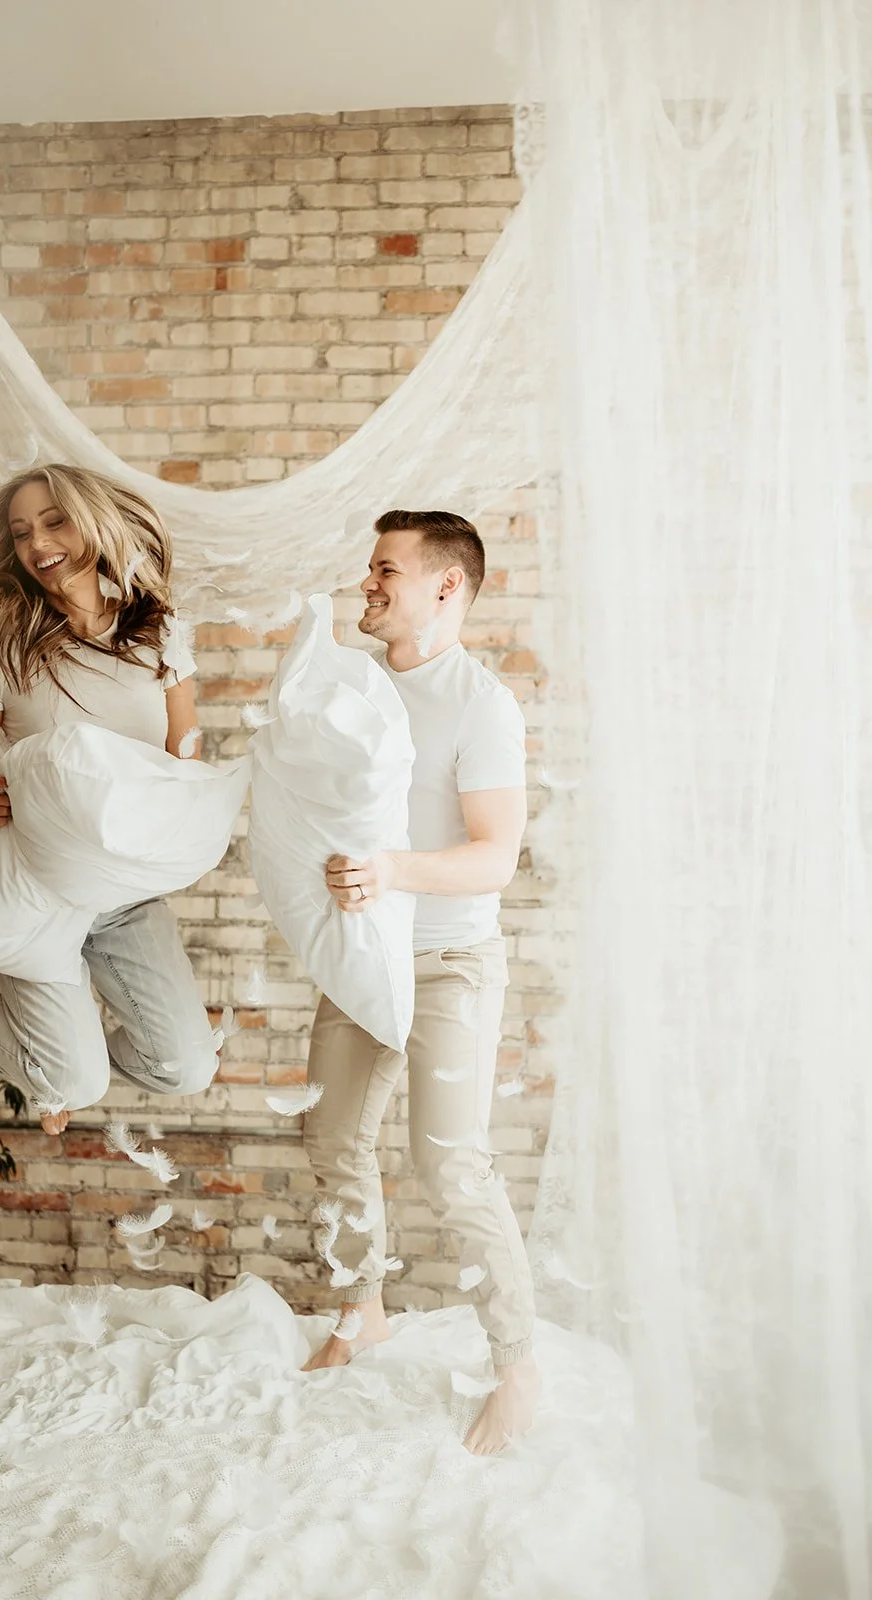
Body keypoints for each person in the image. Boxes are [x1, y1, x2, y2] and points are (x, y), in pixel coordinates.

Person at [301, 508, 539, 1456]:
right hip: (360, 958)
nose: (367, 583)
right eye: (368, 567)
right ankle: (365, 1312)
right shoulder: (351, 684)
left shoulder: (483, 704)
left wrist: (392, 870)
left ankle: (517, 1366)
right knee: (332, 1143)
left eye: (383, 570)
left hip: (449, 963)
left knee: (451, 1165)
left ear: (445, 586)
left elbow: (495, 859)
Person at [0, 464, 219, 1134]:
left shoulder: (162, 636)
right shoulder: (1, 647)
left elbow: (184, 765)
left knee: (185, 1069)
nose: (36, 543)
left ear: (93, 522)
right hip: (35, 892)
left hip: (125, 895)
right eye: (21, 532)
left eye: (53, 520)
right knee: (75, 1080)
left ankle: (59, 1064)